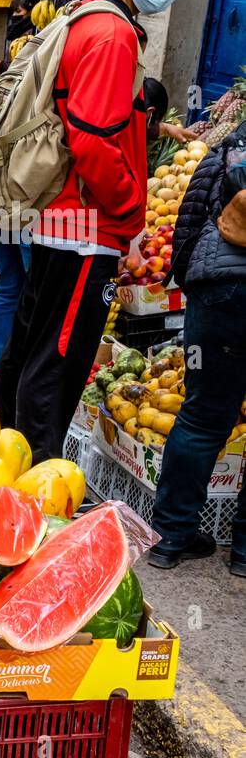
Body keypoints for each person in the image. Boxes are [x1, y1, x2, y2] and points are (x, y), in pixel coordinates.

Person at [0, 0, 194, 464]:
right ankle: (36, 477)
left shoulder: (85, 16)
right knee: (60, 358)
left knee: (32, 343)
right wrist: (129, 215)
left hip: (60, 219)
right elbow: (94, 140)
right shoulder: (113, 34)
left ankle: (1, 455)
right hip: (86, 226)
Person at [146, 122, 243, 572]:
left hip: (220, 291)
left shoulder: (236, 141)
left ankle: (169, 537)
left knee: (202, 417)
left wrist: (191, 285)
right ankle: (243, 553)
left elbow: (188, 216)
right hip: (219, 288)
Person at [0, 0, 36, 73]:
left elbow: (23, 66)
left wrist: (1, 65)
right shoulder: (17, 37)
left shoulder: (34, 33)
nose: (14, 16)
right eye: (13, 12)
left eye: (18, 11)